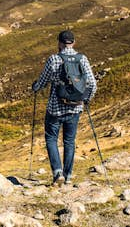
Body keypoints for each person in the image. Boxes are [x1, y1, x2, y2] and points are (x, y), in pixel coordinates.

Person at [32, 30, 97, 185]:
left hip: (55, 108)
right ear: (73, 43)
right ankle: (68, 176)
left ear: (60, 43)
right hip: (75, 108)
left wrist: (35, 87)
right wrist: (85, 99)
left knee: (51, 138)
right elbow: (92, 84)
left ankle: (57, 172)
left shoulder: (54, 59)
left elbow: (42, 81)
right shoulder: (82, 59)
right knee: (69, 141)